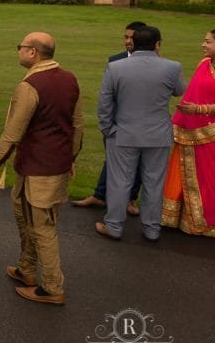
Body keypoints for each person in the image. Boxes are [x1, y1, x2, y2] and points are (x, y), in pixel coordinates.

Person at [0, 32, 83, 305]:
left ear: (33, 52)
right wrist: (71, 157)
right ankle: (27, 269)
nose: (19, 51)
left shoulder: (31, 85)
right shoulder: (69, 78)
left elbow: (13, 131)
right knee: (25, 219)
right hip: (44, 164)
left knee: (43, 227)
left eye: (21, 47)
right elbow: (78, 124)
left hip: (41, 169)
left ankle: (51, 287)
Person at [96, 26, 185, 243]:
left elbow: (104, 103)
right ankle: (151, 228)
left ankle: (114, 226)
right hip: (157, 135)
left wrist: (108, 129)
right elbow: (180, 90)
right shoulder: (172, 67)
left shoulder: (116, 67)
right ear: (157, 44)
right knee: (154, 183)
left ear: (133, 43)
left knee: (119, 182)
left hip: (123, 134)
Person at [72, 21, 147, 215]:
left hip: (141, 122)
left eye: (132, 37)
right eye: (126, 37)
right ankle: (100, 195)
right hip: (116, 121)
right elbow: (107, 94)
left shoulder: (153, 62)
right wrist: (108, 123)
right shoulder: (115, 60)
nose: (128, 41)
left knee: (138, 161)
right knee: (112, 159)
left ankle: (130, 199)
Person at [162, 28, 215, 237]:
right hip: (191, 130)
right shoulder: (204, 64)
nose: (203, 45)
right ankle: (181, 219)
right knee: (184, 173)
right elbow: (192, 92)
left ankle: (207, 222)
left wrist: (200, 110)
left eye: (208, 42)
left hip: (211, 133)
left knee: (208, 179)